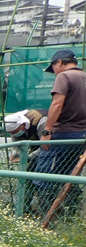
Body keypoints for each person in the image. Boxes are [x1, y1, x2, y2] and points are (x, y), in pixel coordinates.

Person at [38, 49, 86, 179]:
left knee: (43, 176)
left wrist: (46, 132)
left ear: (59, 62)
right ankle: (67, 198)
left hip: (63, 132)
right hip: (82, 134)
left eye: (53, 67)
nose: (54, 72)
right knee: (68, 174)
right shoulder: (84, 76)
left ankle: (45, 198)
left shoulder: (64, 76)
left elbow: (57, 104)